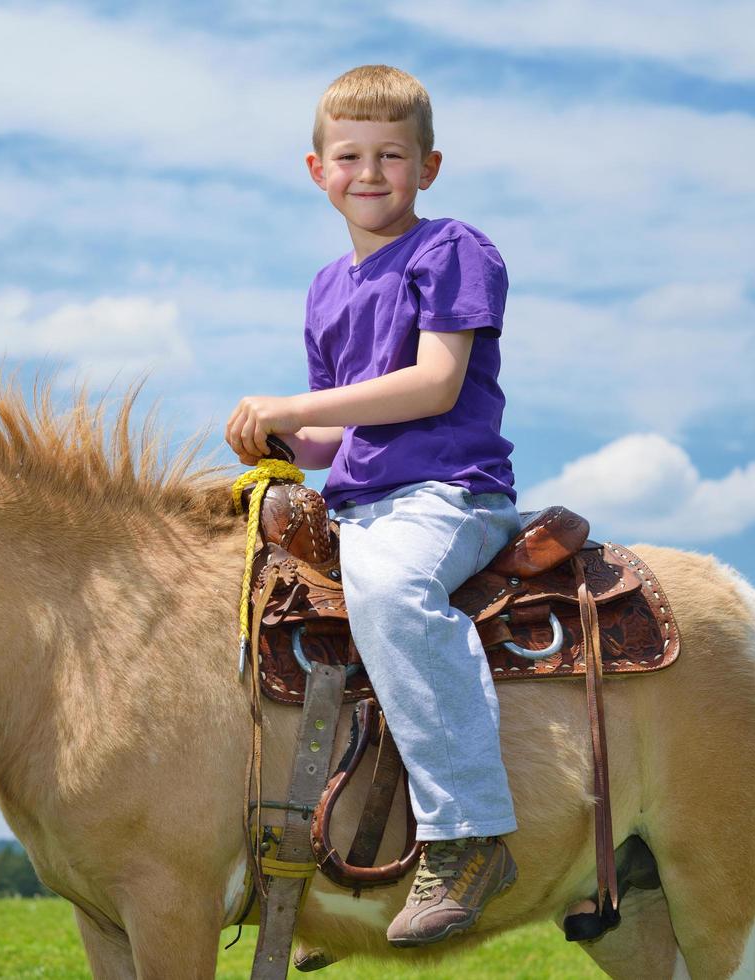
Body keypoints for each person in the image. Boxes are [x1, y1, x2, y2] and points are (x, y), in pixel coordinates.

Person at [223, 64, 522, 947]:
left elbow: (434, 385)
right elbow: (331, 441)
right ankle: (321, 844)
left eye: (391, 155)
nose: (368, 172)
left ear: (427, 167)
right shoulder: (324, 289)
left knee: (392, 595)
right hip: (359, 501)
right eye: (348, 155)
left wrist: (295, 409)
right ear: (316, 171)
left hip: (446, 493)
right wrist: (279, 445)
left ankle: (468, 832)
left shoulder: (451, 250)